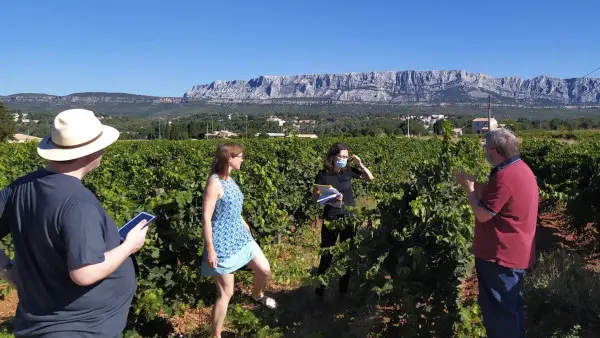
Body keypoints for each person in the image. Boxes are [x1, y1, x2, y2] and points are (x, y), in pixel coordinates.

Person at [0, 108, 149, 337]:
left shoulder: (20, 188)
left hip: (38, 324)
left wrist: (8, 270)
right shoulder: (78, 203)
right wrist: (129, 245)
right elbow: (85, 273)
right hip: (78, 328)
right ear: (90, 153)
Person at [454, 128, 538, 338]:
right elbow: (496, 196)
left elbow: (482, 214)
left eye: (486, 148)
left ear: (495, 151)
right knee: (511, 309)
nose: (484, 152)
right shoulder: (519, 169)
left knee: (499, 314)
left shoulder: (505, 177)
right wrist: (474, 183)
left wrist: (469, 189)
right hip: (516, 253)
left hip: (500, 256)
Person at [201, 142, 277, 338]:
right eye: (240, 156)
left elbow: (231, 206)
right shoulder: (214, 183)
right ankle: (215, 335)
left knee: (264, 269)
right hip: (222, 242)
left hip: (240, 235)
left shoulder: (230, 179)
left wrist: (243, 222)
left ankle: (257, 295)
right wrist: (210, 248)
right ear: (229, 158)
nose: (243, 159)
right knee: (226, 293)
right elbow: (207, 218)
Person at [312, 142, 374, 298]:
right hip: (331, 218)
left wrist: (360, 164)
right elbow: (315, 198)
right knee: (327, 255)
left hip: (348, 218)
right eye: (341, 156)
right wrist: (329, 196)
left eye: (346, 157)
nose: (343, 159)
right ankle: (320, 293)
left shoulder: (348, 172)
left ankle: (342, 292)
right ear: (333, 157)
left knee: (346, 256)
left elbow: (370, 178)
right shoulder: (323, 174)